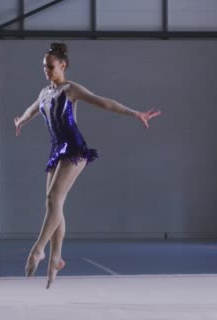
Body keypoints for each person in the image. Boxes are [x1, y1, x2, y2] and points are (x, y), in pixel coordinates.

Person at [13, 42, 161, 289]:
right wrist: (21, 120)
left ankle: (38, 250)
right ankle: (57, 257)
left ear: (63, 65)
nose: (46, 71)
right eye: (43, 67)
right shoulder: (44, 93)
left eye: (50, 67)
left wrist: (135, 113)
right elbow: (31, 110)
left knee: (53, 200)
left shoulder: (70, 89)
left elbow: (103, 102)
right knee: (53, 204)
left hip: (74, 148)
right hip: (56, 150)